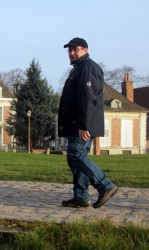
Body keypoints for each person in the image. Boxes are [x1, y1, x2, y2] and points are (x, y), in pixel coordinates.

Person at [58, 37, 118, 208]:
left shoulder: (88, 68)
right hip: (77, 124)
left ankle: (105, 186)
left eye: (76, 50)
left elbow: (87, 98)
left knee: (76, 154)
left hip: (82, 124)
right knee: (76, 157)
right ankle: (81, 196)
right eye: (70, 50)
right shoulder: (79, 69)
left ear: (85, 50)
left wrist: (83, 125)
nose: (72, 53)